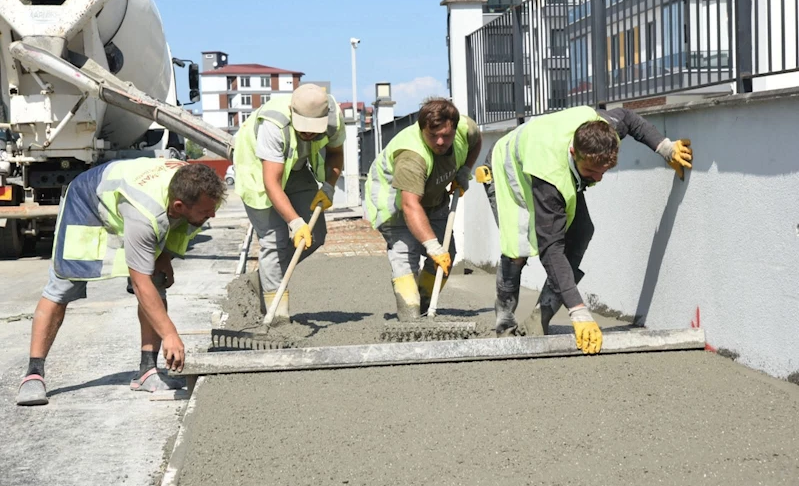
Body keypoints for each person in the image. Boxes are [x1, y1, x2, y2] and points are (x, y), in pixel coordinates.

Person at [483, 106, 693, 354]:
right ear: (574, 152)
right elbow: (550, 248)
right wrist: (579, 311)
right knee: (517, 249)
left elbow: (629, 117)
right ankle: (504, 322)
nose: (599, 178)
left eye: (604, 171)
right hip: (508, 170)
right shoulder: (550, 177)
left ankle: (541, 317)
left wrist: (665, 148)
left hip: (551, 160)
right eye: (592, 172)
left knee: (582, 231)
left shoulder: (605, 130)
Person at [16, 158, 226, 406]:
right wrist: (170, 334)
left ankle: (147, 371)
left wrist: (165, 255)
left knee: (156, 279)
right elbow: (140, 284)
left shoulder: (198, 188)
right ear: (179, 205)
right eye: (205, 212)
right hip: (87, 202)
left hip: (134, 200)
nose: (212, 214)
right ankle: (33, 374)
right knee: (63, 285)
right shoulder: (145, 213)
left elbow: (181, 225)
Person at [233, 84, 345, 325]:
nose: (309, 135)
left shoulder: (334, 117)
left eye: (314, 131)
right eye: (304, 130)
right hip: (258, 168)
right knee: (273, 241)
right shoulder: (274, 125)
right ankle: (278, 319)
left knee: (315, 234)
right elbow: (272, 182)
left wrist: (329, 185)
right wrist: (294, 222)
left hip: (296, 166)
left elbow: (336, 153)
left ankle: (263, 279)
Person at [365, 98, 482, 320]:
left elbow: (476, 141)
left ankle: (425, 302)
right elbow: (410, 205)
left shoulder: (465, 128)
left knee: (447, 254)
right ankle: (409, 312)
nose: (440, 141)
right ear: (422, 129)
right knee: (405, 253)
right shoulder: (411, 156)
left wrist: (464, 171)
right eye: (433, 135)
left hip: (434, 198)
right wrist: (431, 246)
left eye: (446, 136)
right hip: (395, 203)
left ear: (454, 129)